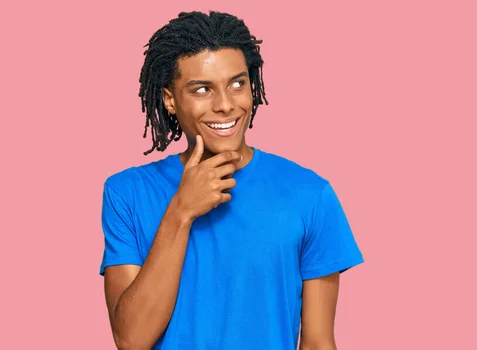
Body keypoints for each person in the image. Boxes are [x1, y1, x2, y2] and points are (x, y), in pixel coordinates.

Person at [99, 10, 364, 350]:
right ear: (169, 99)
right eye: (202, 89)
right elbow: (131, 339)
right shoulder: (127, 193)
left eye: (237, 84)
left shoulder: (310, 194)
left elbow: (317, 342)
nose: (225, 105)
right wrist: (181, 211)